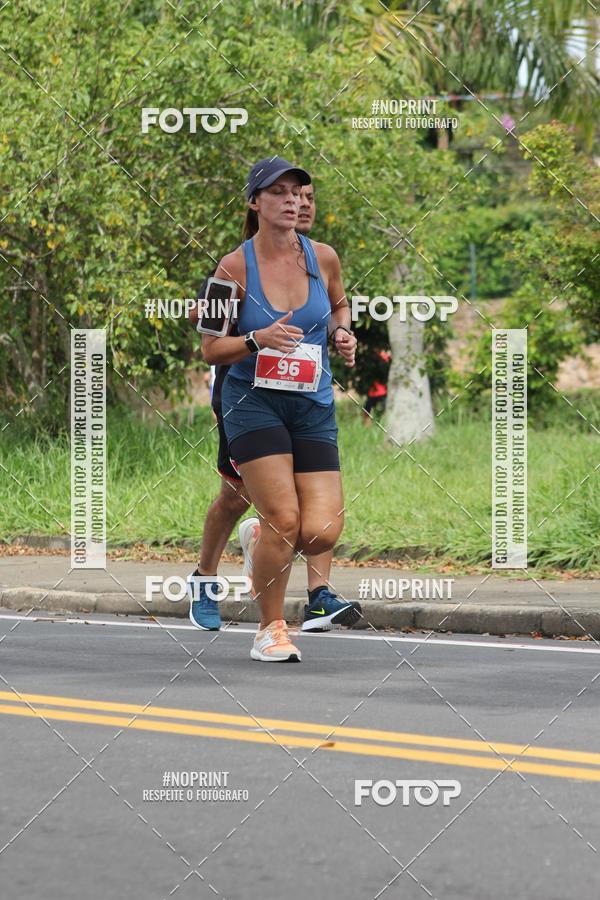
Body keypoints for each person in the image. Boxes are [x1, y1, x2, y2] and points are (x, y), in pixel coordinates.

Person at [187, 174, 361, 638]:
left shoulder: (323, 257)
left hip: (309, 402)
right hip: (249, 398)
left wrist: (342, 333)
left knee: (320, 530)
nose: (293, 202)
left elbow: (339, 306)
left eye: (298, 194)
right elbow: (210, 348)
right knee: (244, 499)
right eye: (279, 193)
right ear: (254, 202)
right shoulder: (231, 268)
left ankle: (265, 543)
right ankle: (218, 589)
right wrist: (256, 339)